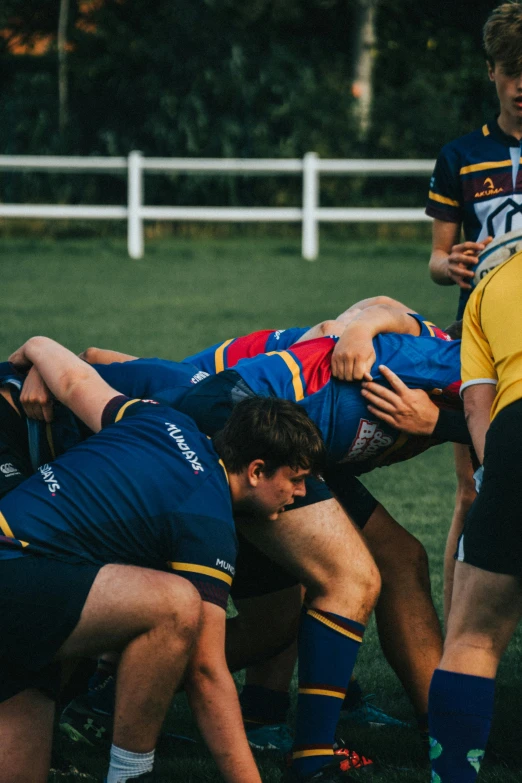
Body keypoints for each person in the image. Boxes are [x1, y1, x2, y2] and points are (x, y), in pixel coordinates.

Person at [27, 303, 466, 777]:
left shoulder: (442, 388)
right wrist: (41, 363)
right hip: (232, 427)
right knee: (347, 578)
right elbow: (355, 320)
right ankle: (314, 755)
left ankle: (243, 713)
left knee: (294, 609)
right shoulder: (429, 357)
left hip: (286, 453)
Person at [0, 335, 326, 783]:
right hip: (15, 574)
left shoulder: (157, 417)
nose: (302, 493)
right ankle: (131, 775)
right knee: (175, 605)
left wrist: (36, 345)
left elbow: (76, 380)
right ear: (254, 471)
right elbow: (207, 672)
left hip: (29, 591)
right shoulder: (207, 518)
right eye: (297, 478)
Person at [426, 1, 522, 623]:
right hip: (481, 345)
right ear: (491, 72)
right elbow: (436, 260)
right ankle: (453, 643)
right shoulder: (461, 156)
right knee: (474, 490)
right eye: (513, 71)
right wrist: (452, 264)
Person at [428, 246, 522, 783]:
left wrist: (501, 479)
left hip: (515, 436)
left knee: (472, 638)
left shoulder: (490, 284)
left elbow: (476, 408)